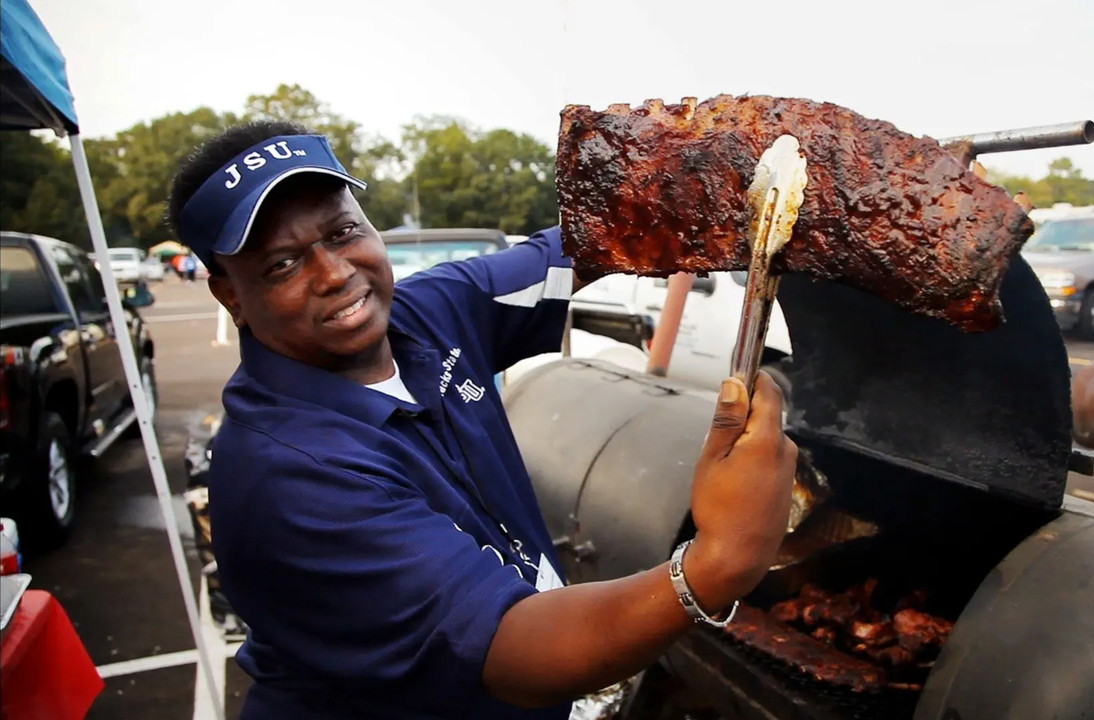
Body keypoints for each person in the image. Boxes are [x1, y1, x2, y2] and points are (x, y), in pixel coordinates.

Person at [165, 120, 798, 720]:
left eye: (341, 233)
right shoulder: (287, 475)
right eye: (282, 264)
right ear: (230, 296)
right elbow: (515, 651)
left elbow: (589, 242)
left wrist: (721, 176)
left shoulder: (427, 315)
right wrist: (719, 562)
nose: (333, 274)